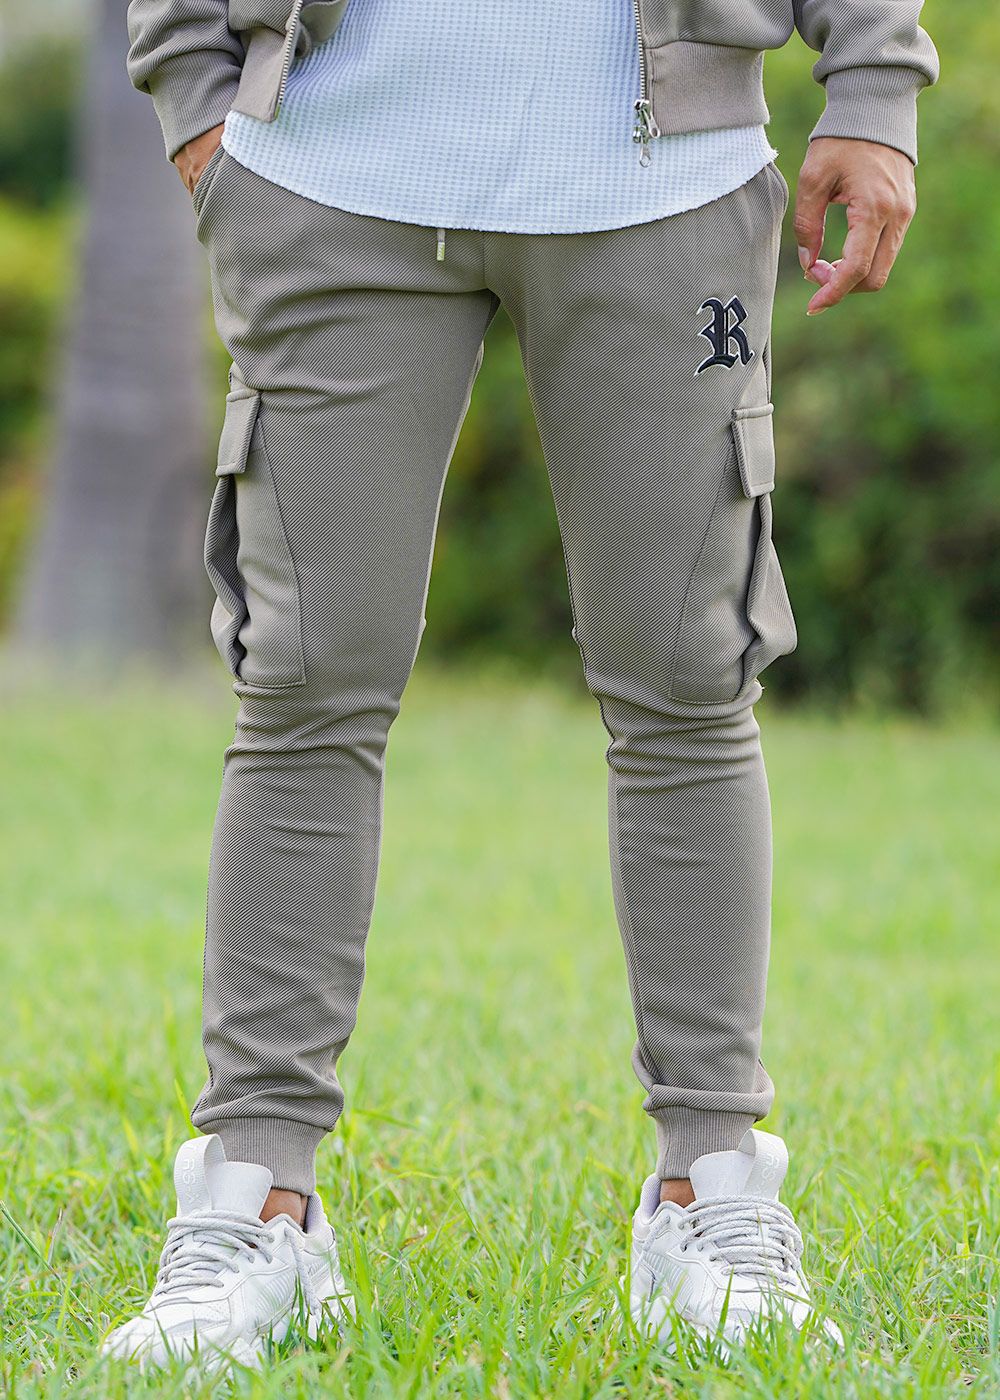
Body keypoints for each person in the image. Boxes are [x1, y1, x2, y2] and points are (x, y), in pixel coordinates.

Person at [106, 0, 937, 1368]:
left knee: (687, 683)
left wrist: (873, 82)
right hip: (329, 173)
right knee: (304, 688)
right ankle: (254, 1202)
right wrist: (197, 96)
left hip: (666, 183)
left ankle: (713, 1192)